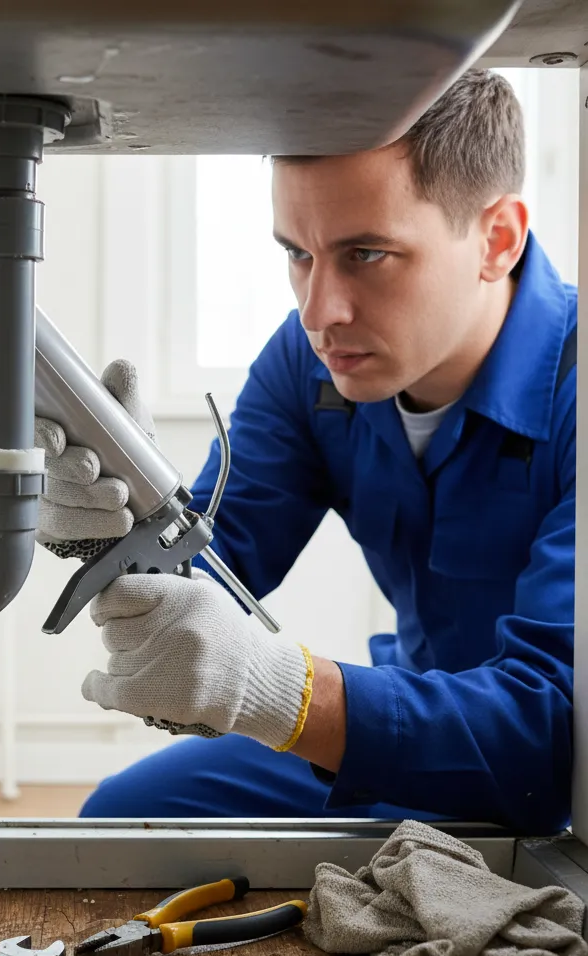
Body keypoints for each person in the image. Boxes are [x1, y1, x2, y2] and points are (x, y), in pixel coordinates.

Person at [33, 69, 577, 835]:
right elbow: (213, 574)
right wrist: (117, 519)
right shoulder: (312, 361)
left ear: (497, 239)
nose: (320, 312)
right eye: (298, 254)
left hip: (540, 790)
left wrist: (287, 694)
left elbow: (559, 736)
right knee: (126, 820)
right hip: (407, 737)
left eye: (366, 254)